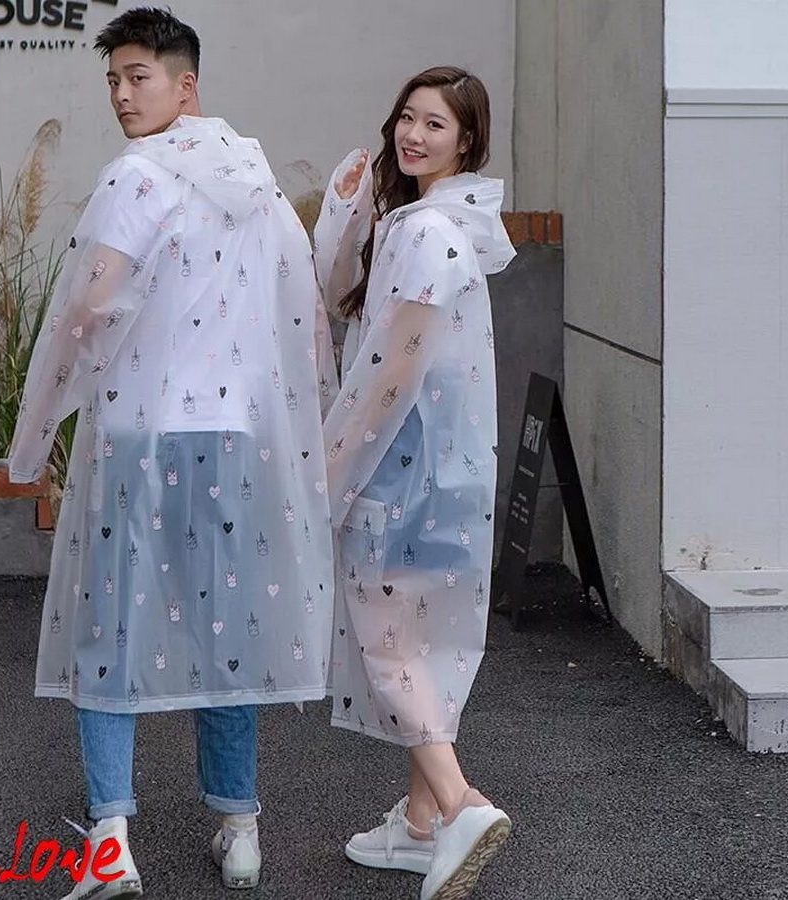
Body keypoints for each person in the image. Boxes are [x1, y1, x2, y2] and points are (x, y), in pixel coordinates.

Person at [8, 8, 336, 898]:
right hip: (235, 438)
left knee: (108, 625)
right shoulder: (254, 178)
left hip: (142, 434)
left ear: (185, 84)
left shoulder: (137, 174)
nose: (122, 94)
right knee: (226, 627)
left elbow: (89, 305)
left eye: (138, 76)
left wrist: (38, 428)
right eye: (113, 79)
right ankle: (240, 831)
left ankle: (112, 838)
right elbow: (303, 313)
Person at [314, 67, 515, 900]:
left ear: (467, 141)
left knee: (389, 642)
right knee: (422, 643)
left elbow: (391, 371)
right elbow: (342, 302)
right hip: (444, 475)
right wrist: (347, 213)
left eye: (435, 124)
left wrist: (331, 468)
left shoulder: (427, 233)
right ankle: (422, 823)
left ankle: (462, 803)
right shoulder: (439, 223)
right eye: (407, 117)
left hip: (400, 473)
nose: (413, 134)